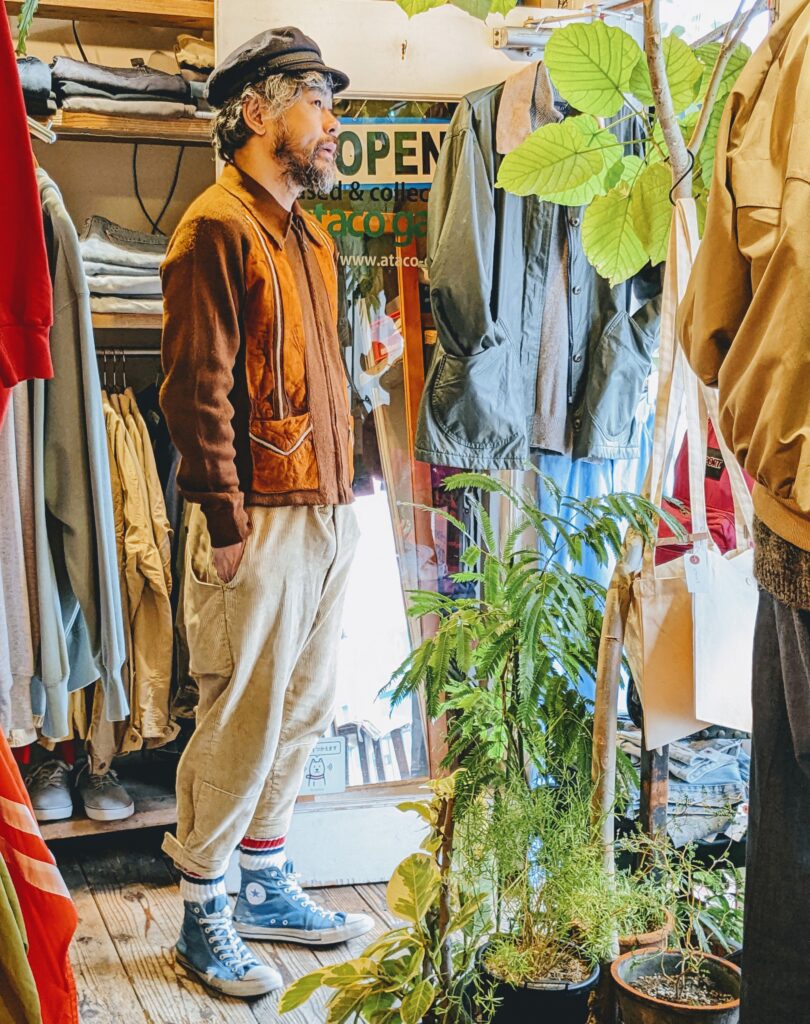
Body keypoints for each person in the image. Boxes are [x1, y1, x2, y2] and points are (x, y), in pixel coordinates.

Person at [159, 27, 372, 998]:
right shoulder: (215, 225)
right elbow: (195, 389)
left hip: (323, 507)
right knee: (241, 717)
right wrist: (227, 522)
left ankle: (263, 882)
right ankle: (204, 910)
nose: (332, 122)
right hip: (258, 520)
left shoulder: (307, 233)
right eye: (316, 101)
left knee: (304, 707)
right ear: (255, 109)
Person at [678, 4, 810, 1021]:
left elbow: (709, 323)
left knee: (791, 845)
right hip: (794, 509)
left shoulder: (779, 57)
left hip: (792, 508)